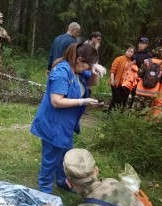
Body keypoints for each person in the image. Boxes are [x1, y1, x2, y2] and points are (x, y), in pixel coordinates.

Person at [31, 43, 106, 194]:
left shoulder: (77, 70)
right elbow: (56, 101)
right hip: (53, 124)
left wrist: (95, 71)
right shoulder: (61, 72)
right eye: (87, 65)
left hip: (66, 124)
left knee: (66, 155)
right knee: (50, 159)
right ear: (79, 59)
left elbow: (92, 83)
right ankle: (45, 192)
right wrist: (83, 101)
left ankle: (61, 181)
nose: (87, 68)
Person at [108, 44, 136, 110]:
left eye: (132, 52)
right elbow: (113, 70)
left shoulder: (130, 61)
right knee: (115, 99)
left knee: (119, 100)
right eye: (129, 51)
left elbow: (127, 72)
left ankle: (113, 115)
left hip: (123, 84)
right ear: (126, 51)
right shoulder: (119, 58)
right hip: (115, 82)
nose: (130, 53)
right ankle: (109, 114)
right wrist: (112, 80)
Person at [129, 37, 153, 108]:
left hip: (141, 77)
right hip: (131, 75)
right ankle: (128, 107)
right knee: (130, 91)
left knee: (137, 94)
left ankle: (134, 108)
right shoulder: (135, 52)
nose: (140, 45)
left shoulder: (148, 55)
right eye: (139, 43)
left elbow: (149, 67)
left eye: (143, 43)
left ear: (146, 45)